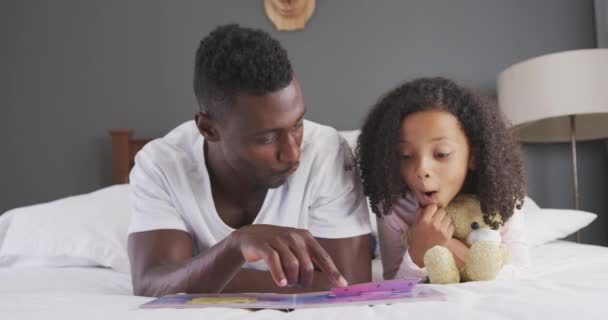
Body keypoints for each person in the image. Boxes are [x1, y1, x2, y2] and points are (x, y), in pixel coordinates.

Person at [127, 24, 372, 297]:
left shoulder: (326, 152)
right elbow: (150, 284)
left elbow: (349, 287)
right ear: (209, 129)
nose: (292, 154)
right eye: (266, 139)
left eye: (297, 124)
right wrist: (235, 246)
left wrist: (199, 277)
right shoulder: (162, 164)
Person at [356, 77, 528, 281]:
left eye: (441, 154)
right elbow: (394, 282)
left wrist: (447, 244)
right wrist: (418, 251)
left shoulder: (501, 194)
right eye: (405, 155)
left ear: (473, 156)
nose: (421, 169)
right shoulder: (393, 206)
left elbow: (519, 273)